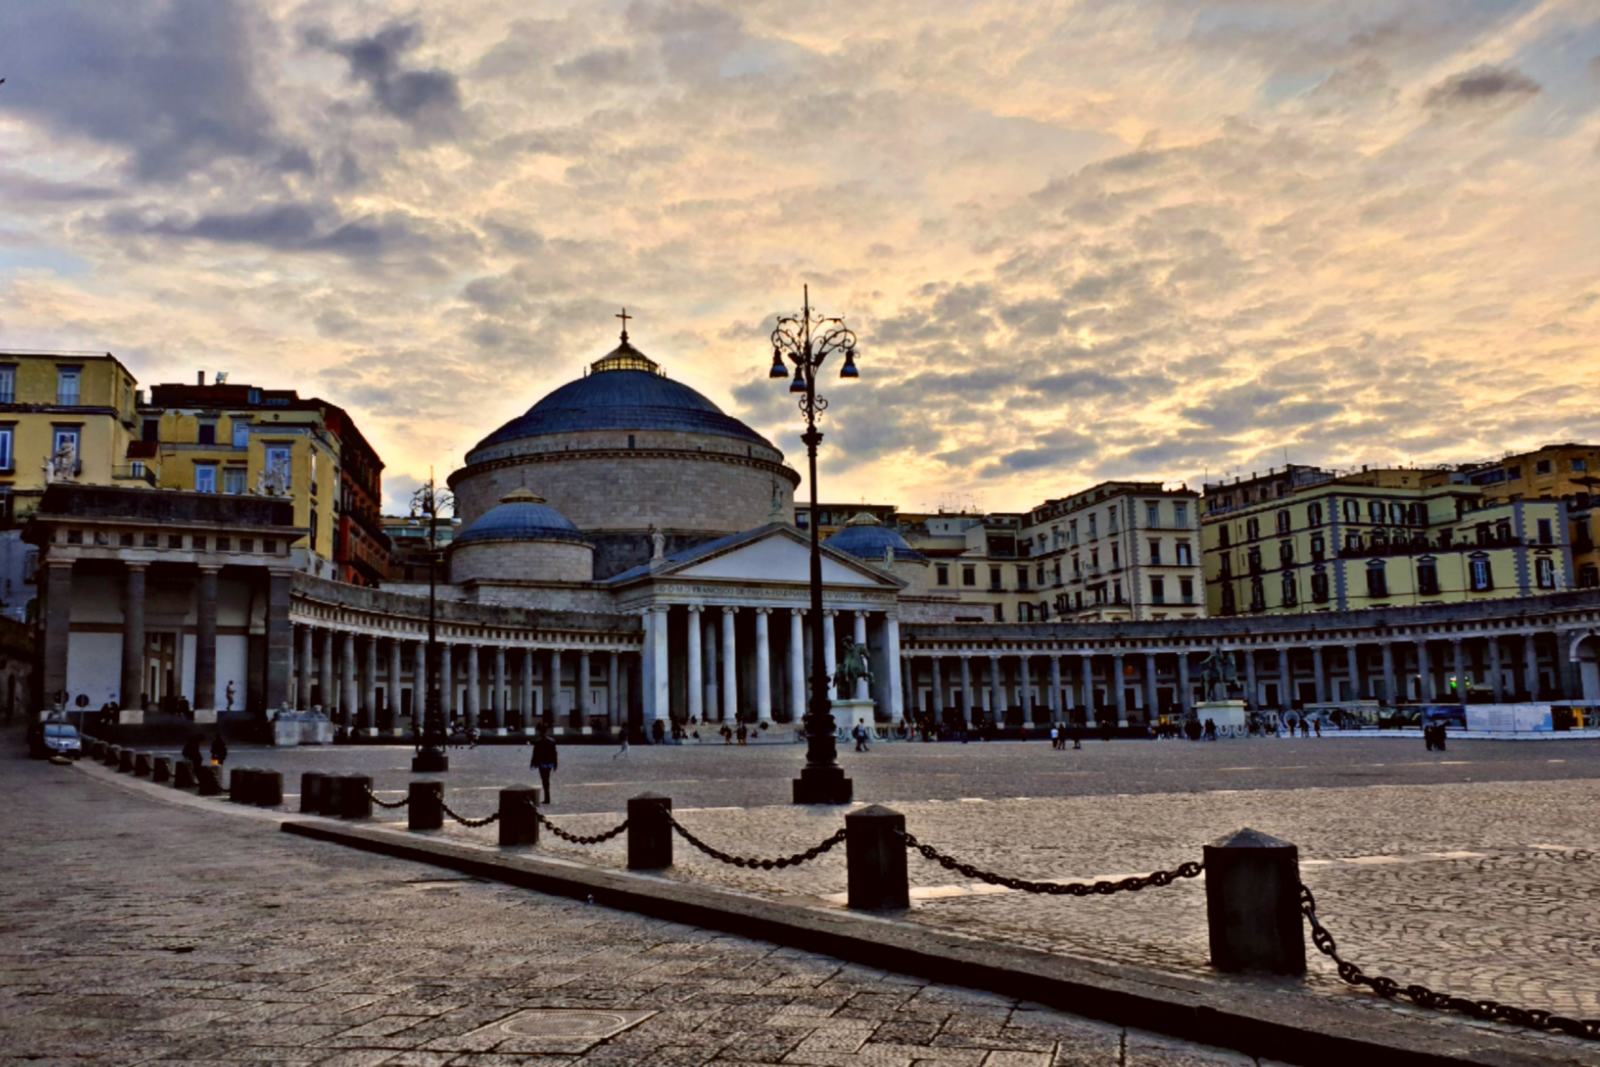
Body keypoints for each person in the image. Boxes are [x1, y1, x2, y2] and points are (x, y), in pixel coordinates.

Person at [530, 727, 558, 803]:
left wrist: (533, 763)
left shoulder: (538, 742)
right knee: (546, 779)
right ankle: (547, 797)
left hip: (542, 763)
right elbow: (554, 754)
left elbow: (535, 754)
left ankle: (547, 798)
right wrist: (555, 764)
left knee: (544, 779)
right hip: (549, 763)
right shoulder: (552, 741)